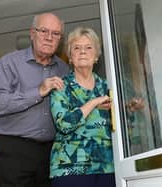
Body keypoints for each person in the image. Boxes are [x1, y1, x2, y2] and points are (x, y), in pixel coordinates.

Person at [0, 12, 69, 187]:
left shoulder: (64, 69)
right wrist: (37, 92)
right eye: (44, 31)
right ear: (32, 33)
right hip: (15, 149)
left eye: (56, 33)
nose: (49, 38)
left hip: (52, 152)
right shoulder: (9, 63)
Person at [49, 27, 116, 187]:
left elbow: (124, 126)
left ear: (96, 56)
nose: (83, 52)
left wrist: (131, 109)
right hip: (70, 168)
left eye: (88, 47)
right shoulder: (60, 86)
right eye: (77, 48)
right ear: (70, 57)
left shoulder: (109, 86)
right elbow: (64, 124)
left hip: (107, 167)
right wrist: (93, 103)